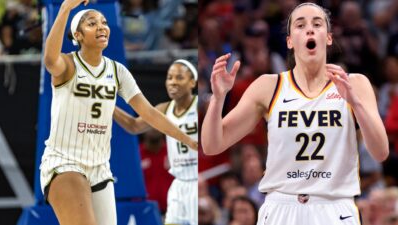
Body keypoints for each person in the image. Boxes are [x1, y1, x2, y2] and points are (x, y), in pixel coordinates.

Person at [201, 2, 389, 225]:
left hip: (334, 207)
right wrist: (218, 98)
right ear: (290, 41)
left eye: (317, 24)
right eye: (300, 25)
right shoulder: (268, 86)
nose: (309, 29)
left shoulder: (355, 84)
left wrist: (355, 103)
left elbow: (380, 152)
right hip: (281, 207)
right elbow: (212, 145)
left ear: (328, 37)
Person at [40, 0, 197, 225]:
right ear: (79, 35)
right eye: (92, 23)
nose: (102, 26)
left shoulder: (117, 71)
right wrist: (65, 8)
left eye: (104, 22)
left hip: (100, 168)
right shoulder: (68, 65)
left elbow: (148, 113)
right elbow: (49, 59)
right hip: (64, 162)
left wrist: (188, 140)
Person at [113, 59, 198, 225]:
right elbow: (134, 126)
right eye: (170, 77)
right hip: (179, 185)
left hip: (197, 181)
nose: (173, 82)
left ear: (192, 82)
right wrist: (109, 105)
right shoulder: (163, 109)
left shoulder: (200, 106)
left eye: (179, 78)